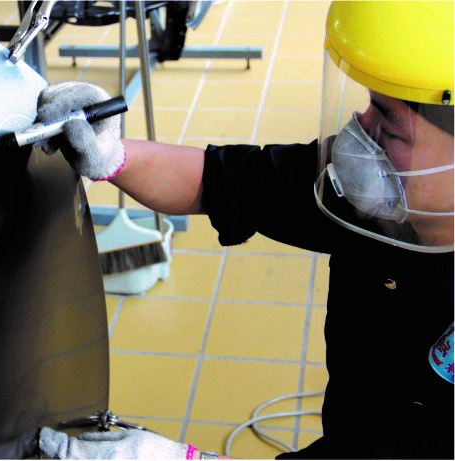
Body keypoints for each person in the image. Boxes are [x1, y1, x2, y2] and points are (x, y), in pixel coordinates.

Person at [34, 1, 454, 459]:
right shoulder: (381, 198)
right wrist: (111, 153)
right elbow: (224, 181)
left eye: (390, 129)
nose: (360, 136)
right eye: (370, 106)